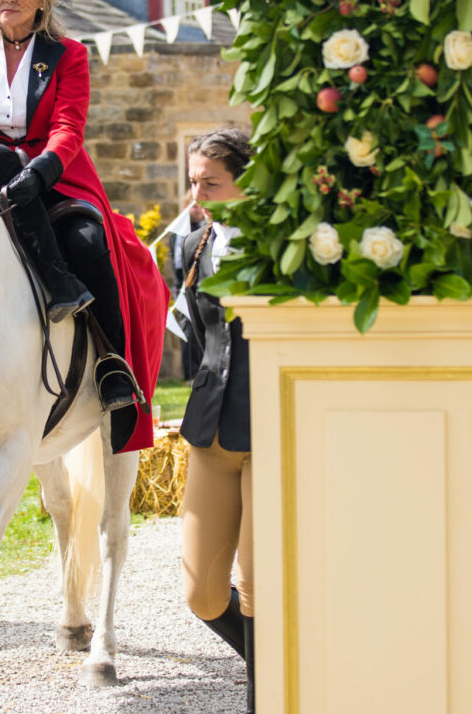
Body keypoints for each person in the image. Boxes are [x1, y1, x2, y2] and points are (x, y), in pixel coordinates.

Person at [0, 0, 168, 433]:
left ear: (41, 1)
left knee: (90, 243)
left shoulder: (68, 54)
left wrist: (40, 171)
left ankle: (113, 366)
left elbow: (69, 126)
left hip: (57, 174)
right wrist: (7, 170)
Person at [178, 127, 256, 712]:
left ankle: (269, 697)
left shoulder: (286, 245)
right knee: (202, 594)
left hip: (272, 428)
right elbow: (200, 338)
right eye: (193, 181)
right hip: (209, 427)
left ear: (246, 184)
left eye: (211, 183)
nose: (197, 194)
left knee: (257, 590)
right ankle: (278, 662)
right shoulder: (190, 246)